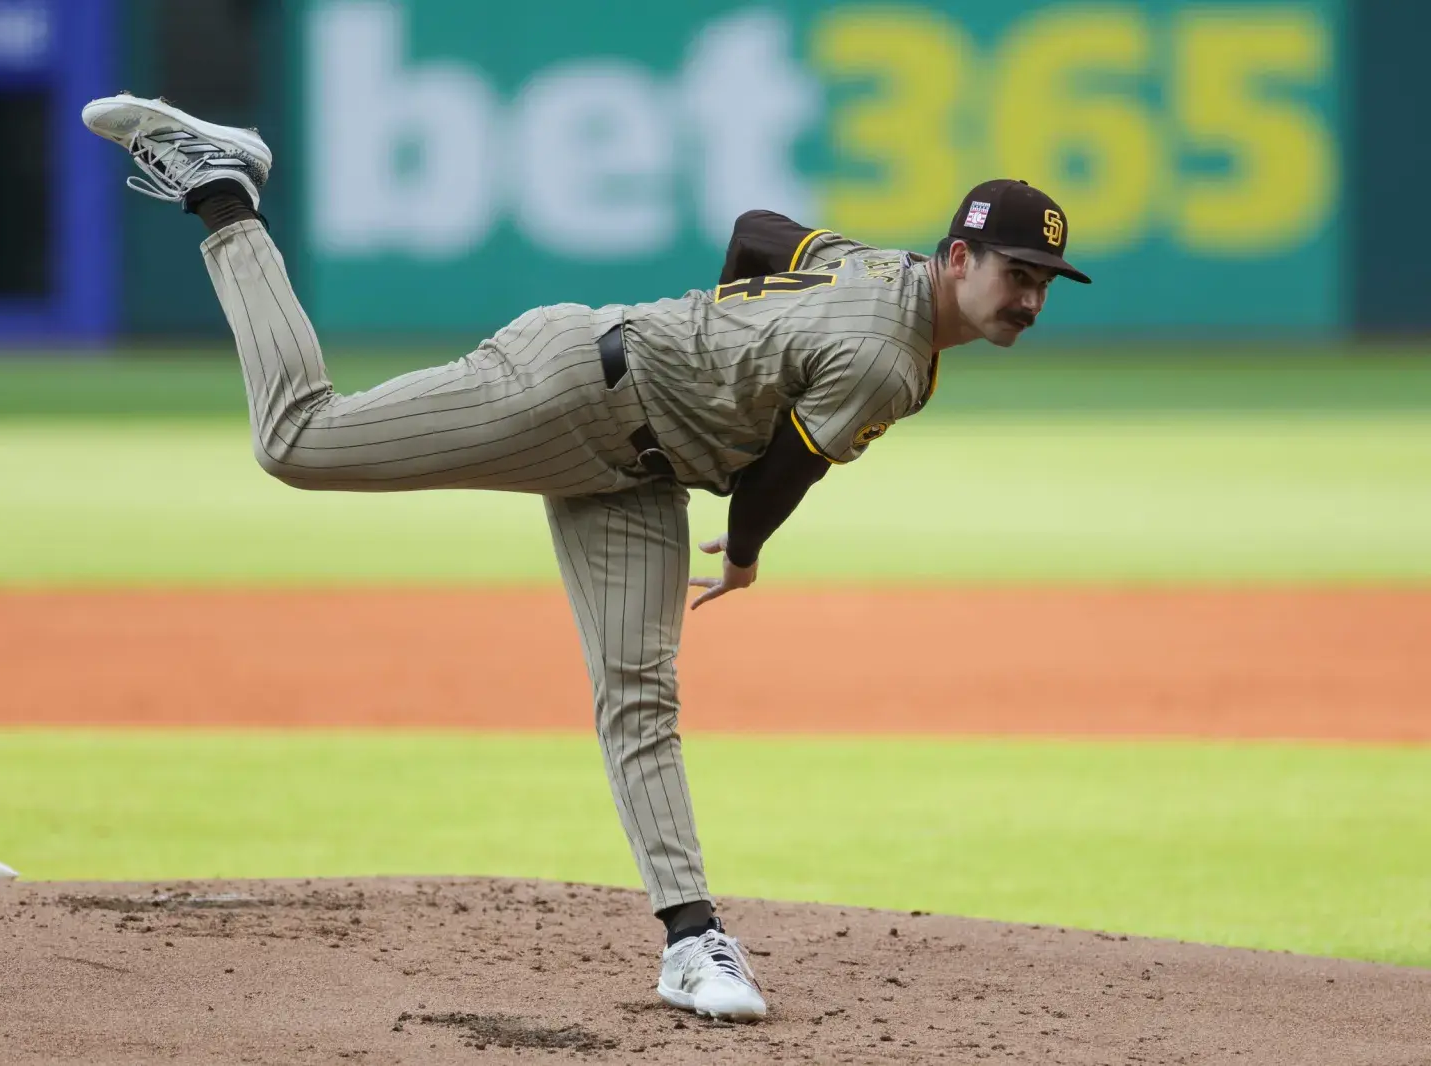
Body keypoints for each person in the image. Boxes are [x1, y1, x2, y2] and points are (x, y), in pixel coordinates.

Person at [81, 92, 1090, 1022]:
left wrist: (722, 343)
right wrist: (740, 553)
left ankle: (693, 944)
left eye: (1044, 282)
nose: (1030, 299)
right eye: (1016, 274)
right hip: (570, 388)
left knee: (639, 694)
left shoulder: (874, 267)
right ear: (958, 260)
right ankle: (223, 191)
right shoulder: (886, 354)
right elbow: (778, 474)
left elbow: (755, 233)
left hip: (638, 468)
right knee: (297, 440)